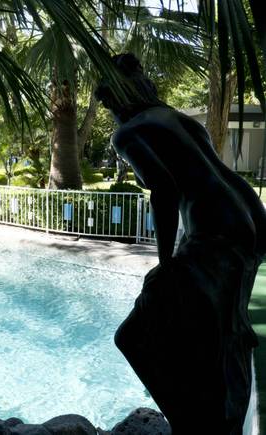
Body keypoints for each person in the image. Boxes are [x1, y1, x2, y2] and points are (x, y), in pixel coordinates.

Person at [95, 53, 265, 434]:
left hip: (215, 231)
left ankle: (197, 425)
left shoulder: (129, 133)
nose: (111, 113)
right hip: (249, 221)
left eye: (107, 104)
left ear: (117, 98)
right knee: (224, 332)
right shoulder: (177, 117)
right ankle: (221, 422)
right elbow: (206, 178)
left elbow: (164, 190)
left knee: (133, 335)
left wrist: (166, 263)